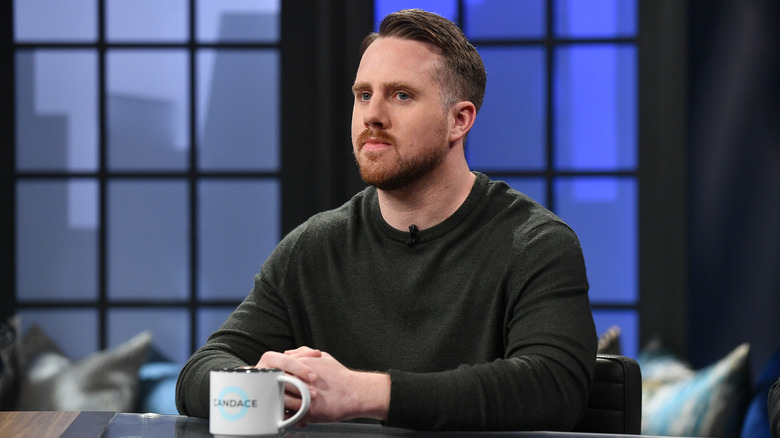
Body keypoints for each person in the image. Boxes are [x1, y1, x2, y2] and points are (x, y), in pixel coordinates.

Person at [176, 8, 596, 431]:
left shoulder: (536, 244)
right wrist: (269, 391)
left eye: (401, 95)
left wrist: (360, 393)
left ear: (459, 120)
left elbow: (553, 388)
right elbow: (197, 376)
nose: (372, 115)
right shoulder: (314, 247)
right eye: (363, 95)